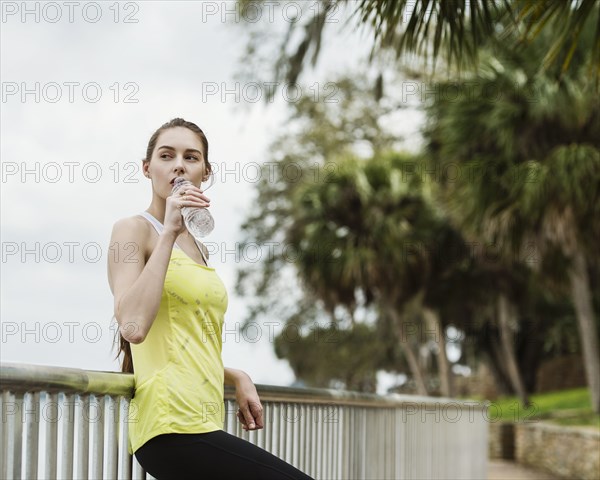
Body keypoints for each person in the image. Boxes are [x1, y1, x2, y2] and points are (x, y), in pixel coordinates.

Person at [108, 118, 314, 479]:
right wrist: (169, 231)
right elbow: (134, 327)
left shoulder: (199, 246)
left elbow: (184, 343)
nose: (179, 166)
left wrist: (235, 375)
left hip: (203, 418)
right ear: (147, 168)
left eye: (191, 157)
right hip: (169, 427)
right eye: (166, 155)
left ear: (205, 172)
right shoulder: (133, 230)